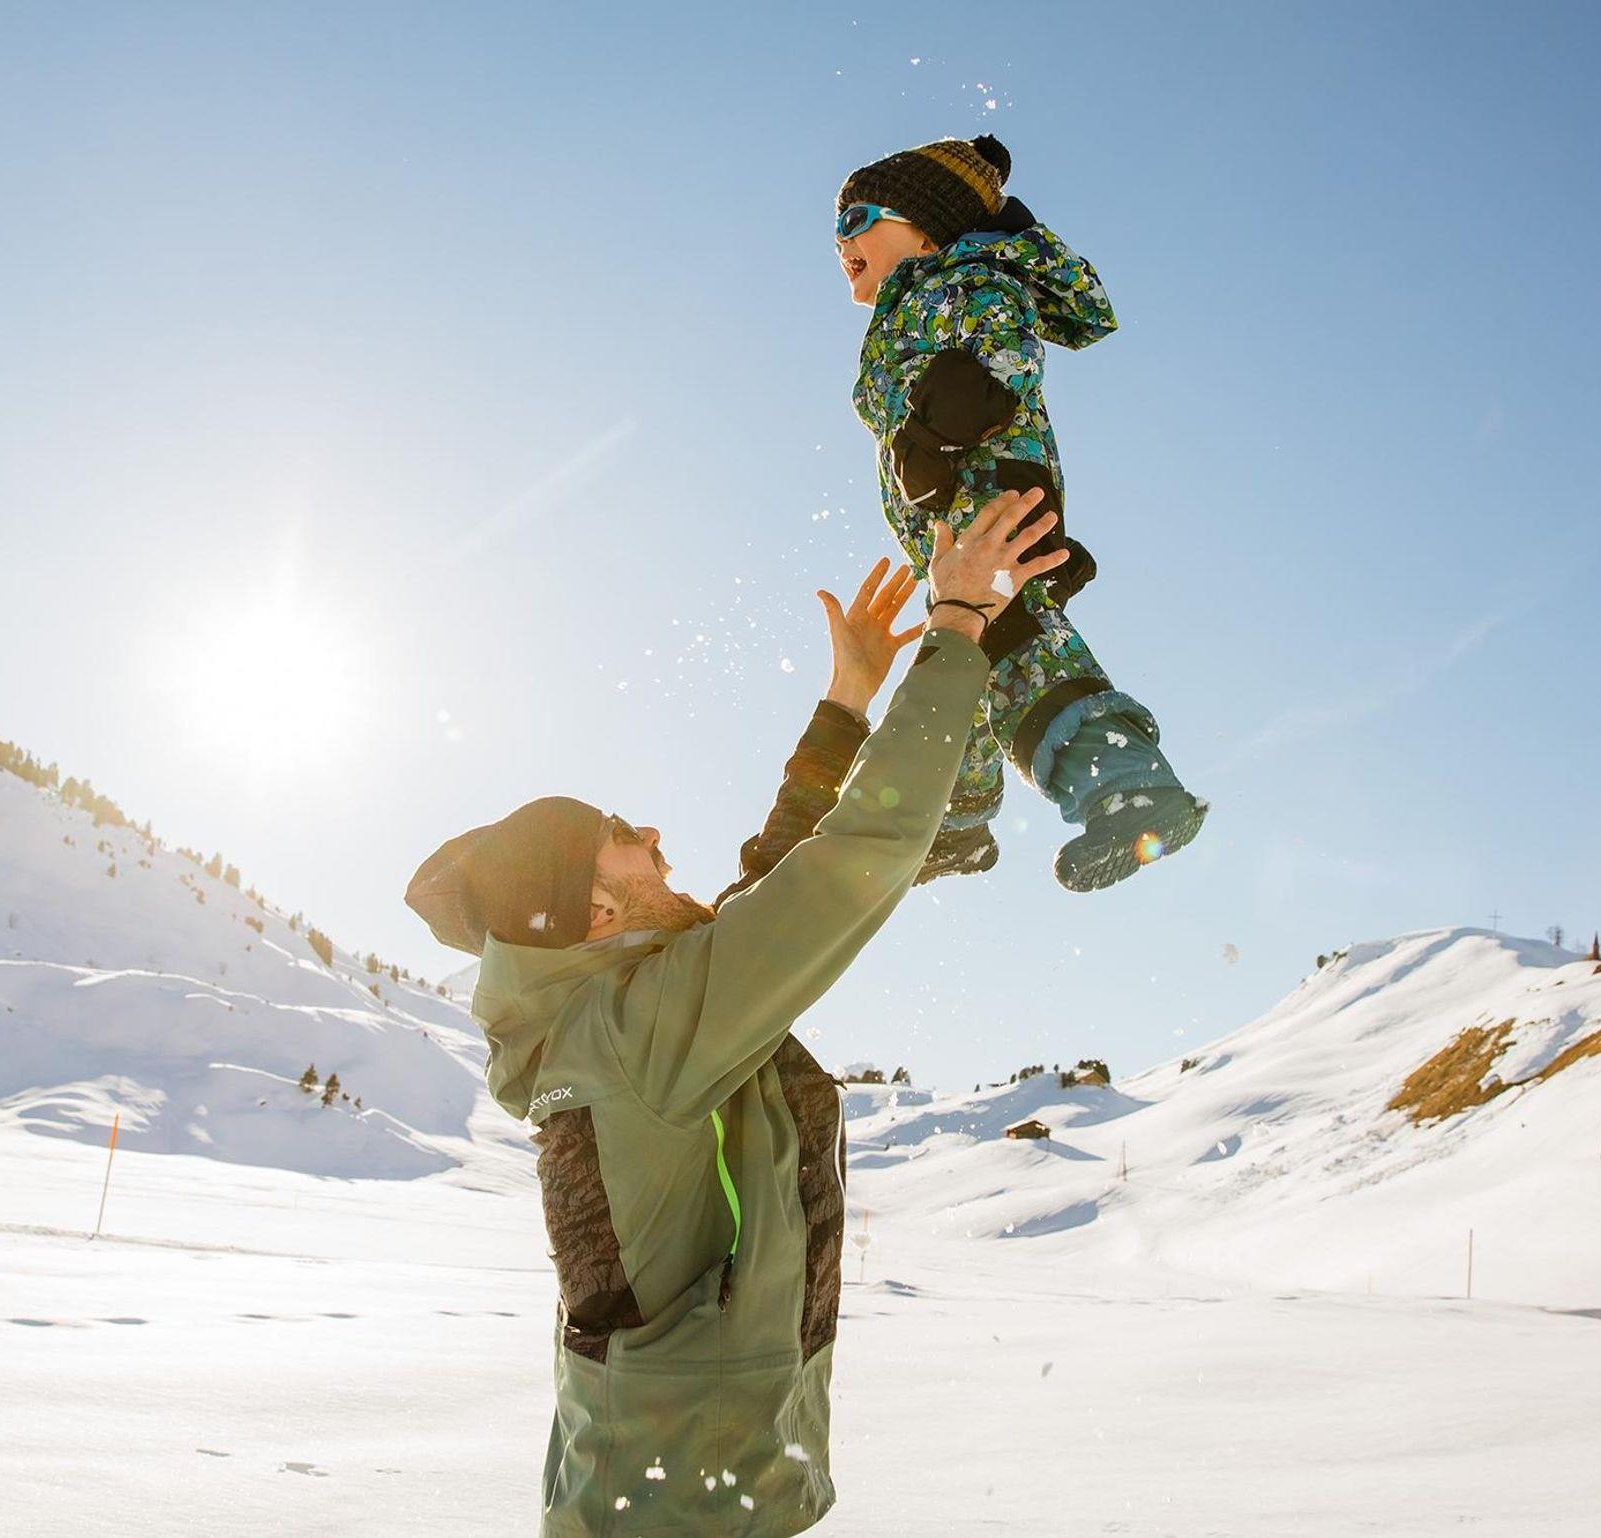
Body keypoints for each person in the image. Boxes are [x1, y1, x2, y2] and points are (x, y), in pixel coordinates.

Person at [404, 490, 1064, 1537]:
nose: (654, 834)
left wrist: (844, 706)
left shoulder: (606, 1017)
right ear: (593, 911)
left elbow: (766, 887)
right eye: (623, 834)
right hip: (686, 1501)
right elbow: (850, 861)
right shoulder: (634, 1033)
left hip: (666, 1482)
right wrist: (957, 623)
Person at [837, 132, 1209, 890]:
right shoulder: (916, 301)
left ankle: (1129, 789)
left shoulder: (967, 278)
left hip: (992, 495)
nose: (841, 242)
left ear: (925, 228)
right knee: (965, 655)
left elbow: (1005, 359)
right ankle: (958, 817)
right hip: (955, 512)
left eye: (856, 220)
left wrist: (937, 433)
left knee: (1008, 638)